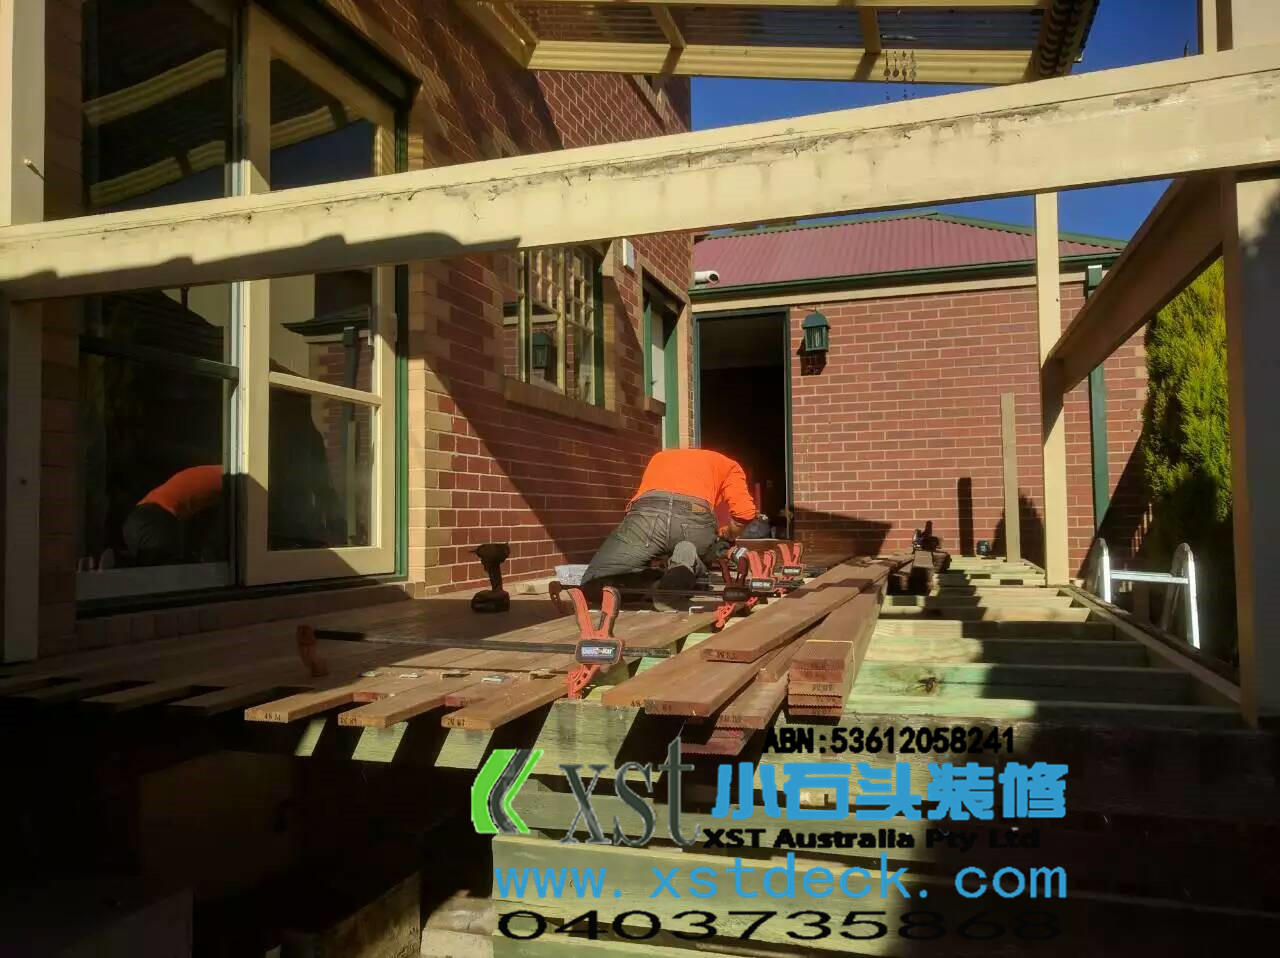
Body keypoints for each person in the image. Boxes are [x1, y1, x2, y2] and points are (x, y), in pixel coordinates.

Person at [582, 448, 761, 609]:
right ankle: (683, 564)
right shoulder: (729, 466)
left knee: (593, 583)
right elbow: (744, 513)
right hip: (695, 518)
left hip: (647, 515)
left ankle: (652, 583)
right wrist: (729, 535)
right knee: (700, 549)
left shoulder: (660, 457)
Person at [122, 465, 225, 566]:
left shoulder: (218, 476)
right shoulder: (229, 478)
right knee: (167, 571)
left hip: (139, 522)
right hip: (152, 521)